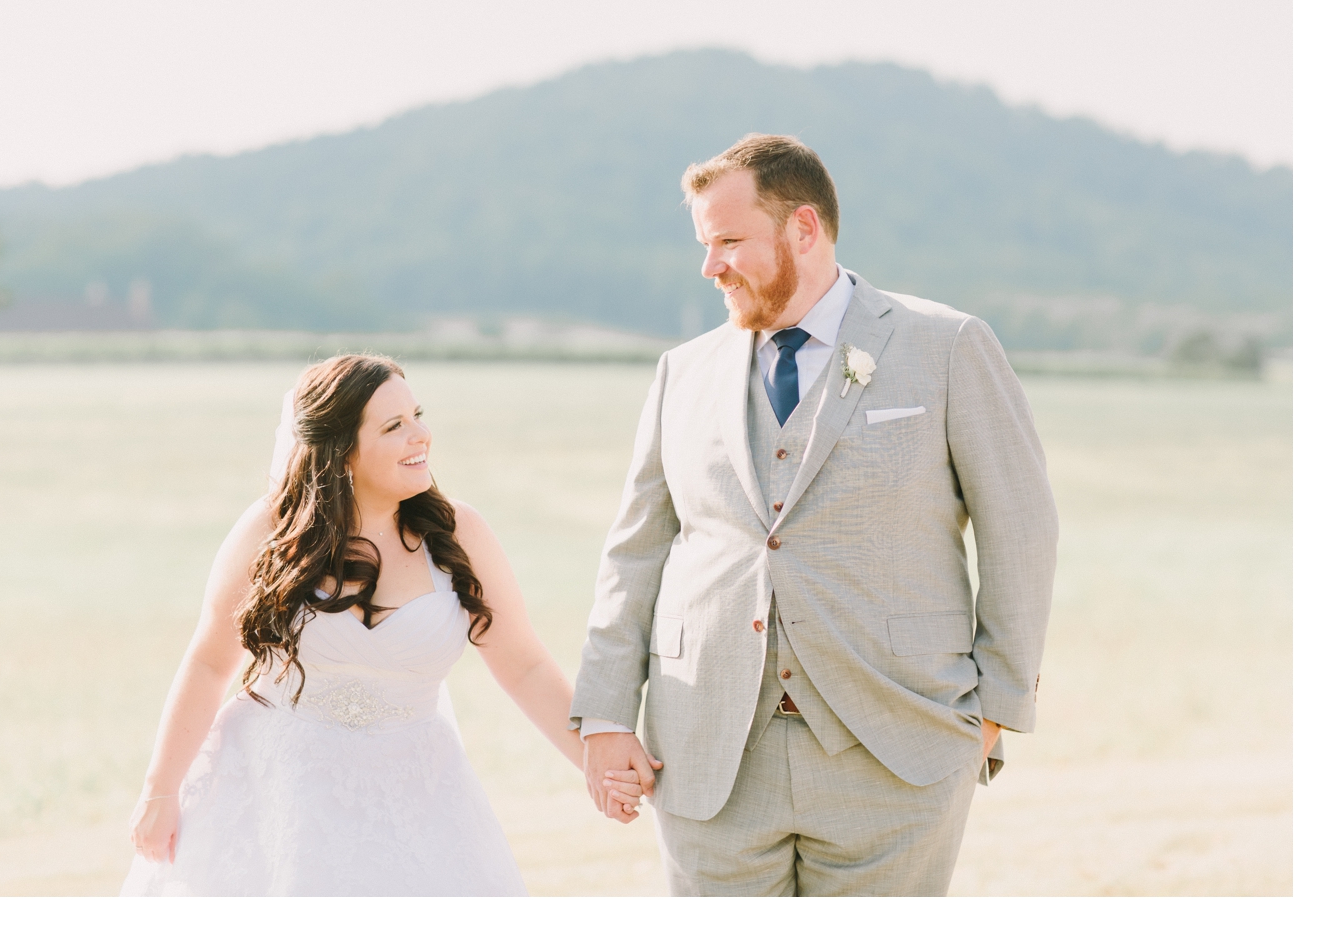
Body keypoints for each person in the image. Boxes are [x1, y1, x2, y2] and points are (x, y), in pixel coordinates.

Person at [571, 134, 1059, 896]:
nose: (710, 266)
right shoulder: (683, 372)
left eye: (729, 241)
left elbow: (1020, 531)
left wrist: (994, 711)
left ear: (804, 228)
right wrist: (603, 716)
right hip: (707, 757)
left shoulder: (948, 346)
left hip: (898, 752)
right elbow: (635, 551)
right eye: (705, 244)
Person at [122, 354, 614, 895]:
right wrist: (161, 790)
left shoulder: (459, 534)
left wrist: (596, 761)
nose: (421, 435)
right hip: (278, 789)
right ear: (342, 452)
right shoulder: (272, 530)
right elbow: (211, 663)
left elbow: (524, 667)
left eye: (418, 416)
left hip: (418, 796)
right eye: (394, 426)